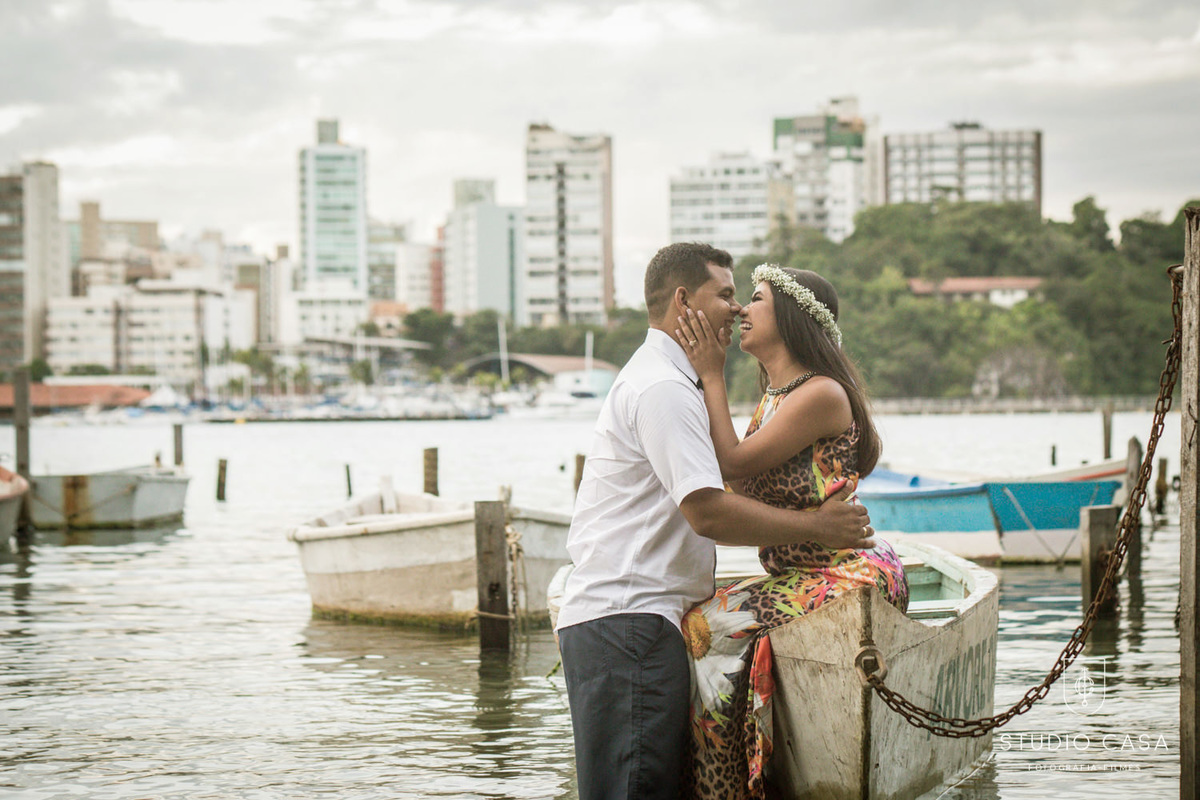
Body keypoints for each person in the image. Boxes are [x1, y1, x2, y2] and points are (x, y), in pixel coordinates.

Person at [554, 244, 876, 800]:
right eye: (726, 294)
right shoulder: (666, 389)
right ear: (684, 301)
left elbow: (726, 479)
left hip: (640, 617)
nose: (735, 309)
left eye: (745, 296)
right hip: (628, 618)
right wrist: (819, 528)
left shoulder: (679, 385)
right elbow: (708, 509)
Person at [671, 265, 909, 800]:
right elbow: (737, 499)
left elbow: (731, 464)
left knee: (708, 627)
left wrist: (710, 372)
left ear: (794, 318)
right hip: (803, 573)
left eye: (755, 299)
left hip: (847, 573)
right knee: (697, 615)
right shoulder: (775, 398)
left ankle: (724, 789)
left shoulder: (821, 393)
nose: (741, 311)